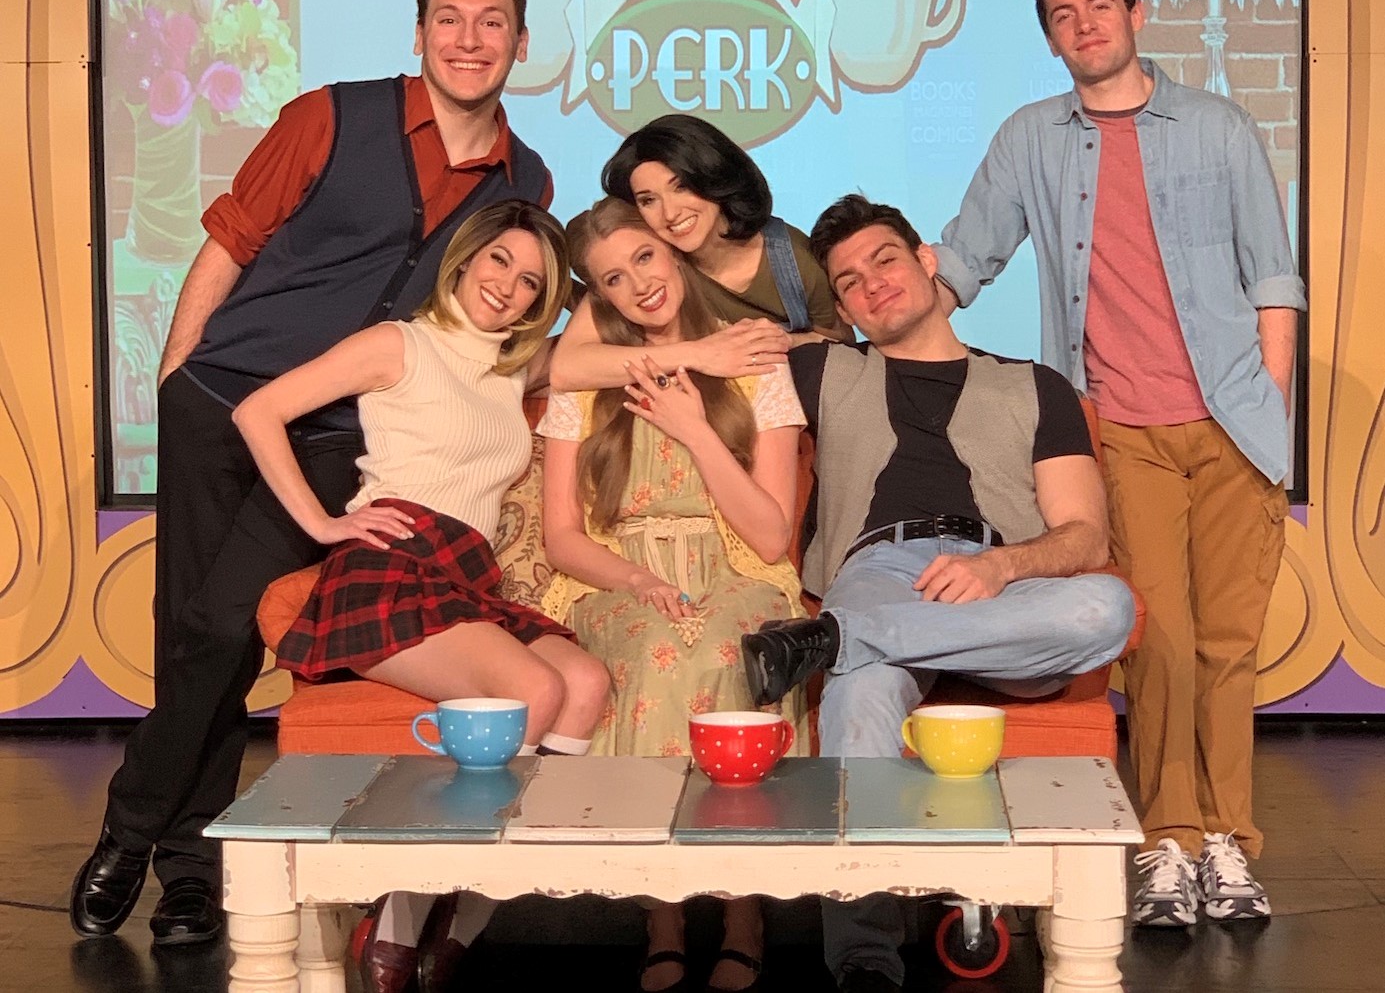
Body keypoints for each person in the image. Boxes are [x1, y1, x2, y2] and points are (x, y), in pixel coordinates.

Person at [70, 0, 552, 948]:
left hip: (336, 433)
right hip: (224, 396)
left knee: (230, 624)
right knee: (191, 631)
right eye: (450, 19)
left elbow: (501, 319)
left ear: (521, 42)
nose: (469, 39)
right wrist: (176, 375)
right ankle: (190, 869)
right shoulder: (330, 114)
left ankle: (137, 830)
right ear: (419, 34)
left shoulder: (524, 178)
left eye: (491, 22)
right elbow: (230, 240)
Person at [932, 0, 1305, 927]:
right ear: (1050, 38)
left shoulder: (1218, 126)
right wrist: (873, 322)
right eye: (1062, 15)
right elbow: (963, 260)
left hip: (1230, 424)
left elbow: (1273, 278)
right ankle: (1168, 842)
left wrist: (1268, 404)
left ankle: (1227, 842)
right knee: (1162, 645)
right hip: (1122, 429)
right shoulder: (1029, 139)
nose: (1083, 24)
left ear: (1133, 15)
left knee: (1226, 645)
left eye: (1098, 5)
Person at [740, 194, 1135, 993]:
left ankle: (841, 639)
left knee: (1105, 605)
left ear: (926, 260)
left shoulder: (1034, 384)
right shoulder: (825, 368)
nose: (871, 284)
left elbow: (1085, 537)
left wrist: (1001, 568)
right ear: (841, 308)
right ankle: (864, 960)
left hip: (1006, 591)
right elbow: (698, 344)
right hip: (878, 569)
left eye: (884, 259)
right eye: (848, 282)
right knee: (858, 697)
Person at [235, 199, 610, 993]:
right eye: (499, 260)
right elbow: (257, 409)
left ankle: (464, 916)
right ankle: (402, 913)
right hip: (393, 565)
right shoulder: (397, 344)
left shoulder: (511, 368)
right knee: (532, 688)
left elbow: (600, 342)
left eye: (531, 281)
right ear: (465, 258)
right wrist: (323, 522)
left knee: (583, 682)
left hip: (462, 577)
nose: (507, 286)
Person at [540, 197, 809, 993]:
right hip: (616, 572)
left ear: (674, 251)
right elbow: (562, 537)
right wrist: (635, 579)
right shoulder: (586, 382)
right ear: (598, 298)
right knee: (655, 649)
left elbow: (770, 535)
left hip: (736, 572)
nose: (639, 284)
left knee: (722, 650)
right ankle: (661, 913)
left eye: (645, 258)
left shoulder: (754, 360)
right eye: (612, 279)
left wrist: (695, 426)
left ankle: (740, 909)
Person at [549, 113, 850, 392]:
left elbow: (843, 345)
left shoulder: (792, 258)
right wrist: (700, 354)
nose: (670, 213)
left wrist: (786, 342)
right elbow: (567, 368)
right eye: (648, 200)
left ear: (714, 176)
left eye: (681, 187)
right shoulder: (651, 262)